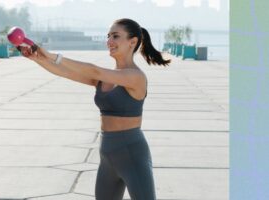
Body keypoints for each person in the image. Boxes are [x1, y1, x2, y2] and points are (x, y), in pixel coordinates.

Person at [18, 18, 170, 200]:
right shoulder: (107, 77)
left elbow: (93, 71)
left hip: (132, 154)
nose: (109, 42)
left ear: (133, 42)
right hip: (107, 155)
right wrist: (38, 58)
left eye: (115, 36)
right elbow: (66, 72)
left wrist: (51, 55)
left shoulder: (136, 77)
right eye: (108, 37)